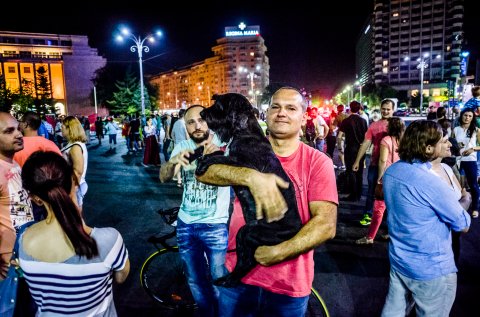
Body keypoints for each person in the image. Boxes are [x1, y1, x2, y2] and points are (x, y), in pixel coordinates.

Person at [196, 86, 338, 316]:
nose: (281, 113)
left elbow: (326, 225)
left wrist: (277, 253)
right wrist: (251, 177)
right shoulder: (243, 145)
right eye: (276, 106)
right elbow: (204, 173)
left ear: (303, 118)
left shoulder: (317, 161)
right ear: (266, 113)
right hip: (237, 274)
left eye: (291, 108)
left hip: (287, 284)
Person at [18, 151, 130, 316]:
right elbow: (121, 277)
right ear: (73, 181)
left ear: (35, 198)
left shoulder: (24, 240)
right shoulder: (108, 240)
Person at [381, 120, 471, 317]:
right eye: (444, 141)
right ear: (429, 148)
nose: (449, 144)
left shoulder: (392, 172)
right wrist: (466, 199)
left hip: (400, 261)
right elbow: (463, 224)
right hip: (432, 269)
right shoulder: (430, 183)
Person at [159, 105, 230, 317]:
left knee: (220, 280)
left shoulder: (224, 144)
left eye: (201, 120)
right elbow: (163, 177)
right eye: (191, 122)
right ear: (185, 126)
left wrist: (217, 157)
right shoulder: (182, 145)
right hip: (186, 224)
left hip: (216, 224)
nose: (197, 126)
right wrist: (172, 163)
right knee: (195, 280)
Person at [355, 117, 405, 244]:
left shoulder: (386, 140)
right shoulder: (404, 141)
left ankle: (370, 237)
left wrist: (379, 178)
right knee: (394, 208)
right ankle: (392, 233)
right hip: (400, 177)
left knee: (378, 208)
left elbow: (382, 161)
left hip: (387, 176)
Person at [0, 111, 34, 280]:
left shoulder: (12, 163)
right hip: (7, 262)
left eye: (18, 129)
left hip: (22, 251)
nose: (19, 134)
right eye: (9, 131)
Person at [352, 98, 394, 226]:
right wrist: (357, 161)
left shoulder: (397, 125)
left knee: (392, 193)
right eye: (384, 109)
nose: (386, 111)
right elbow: (365, 143)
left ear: (393, 110)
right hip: (375, 164)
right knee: (372, 190)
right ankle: (368, 214)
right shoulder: (374, 126)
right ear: (380, 109)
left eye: (388, 109)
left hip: (394, 166)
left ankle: (389, 218)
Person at [336, 100, 368, 201]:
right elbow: (366, 137)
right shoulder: (363, 121)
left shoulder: (346, 121)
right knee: (359, 172)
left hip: (350, 148)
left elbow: (339, 136)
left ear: (349, 108)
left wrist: (340, 147)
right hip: (361, 148)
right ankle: (358, 194)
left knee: (350, 171)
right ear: (359, 109)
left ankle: (353, 194)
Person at [452, 108, 480, 218]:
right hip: (458, 160)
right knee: (458, 185)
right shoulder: (456, 129)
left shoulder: (476, 130)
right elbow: (452, 144)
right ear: (461, 116)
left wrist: (473, 149)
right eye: (465, 115)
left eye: (470, 116)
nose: (467, 118)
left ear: (472, 118)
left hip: (470, 160)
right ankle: (459, 207)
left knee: (473, 184)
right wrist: (457, 146)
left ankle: (475, 208)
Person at [60, 116, 89, 211]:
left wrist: (72, 191)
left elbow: (77, 171)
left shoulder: (75, 146)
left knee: (75, 217)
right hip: (74, 186)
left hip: (75, 186)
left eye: (62, 127)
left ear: (69, 128)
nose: (61, 130)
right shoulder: (73, 144)